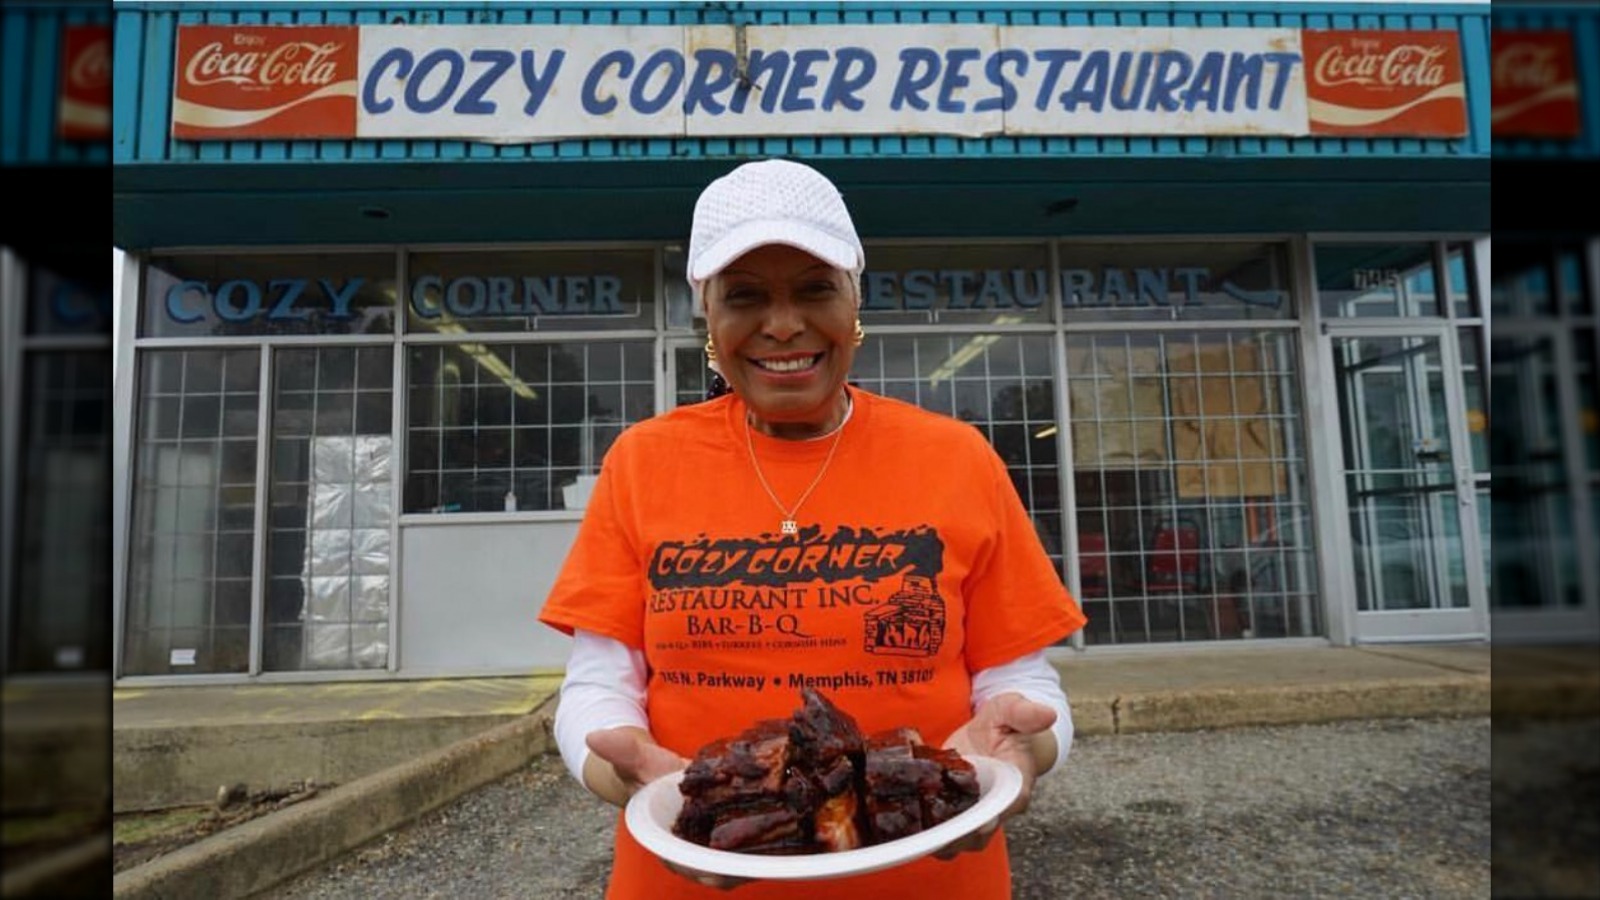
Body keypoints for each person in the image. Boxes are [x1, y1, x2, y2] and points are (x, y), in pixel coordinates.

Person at [539, 158, 1087, 900]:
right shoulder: (645, 461)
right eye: (745, 297)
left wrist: (1025, 746)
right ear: (709, 318)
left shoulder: (956, 457)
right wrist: (619, 770)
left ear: (855, 301)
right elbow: (598, 684)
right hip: (691, 868)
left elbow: (1018, 675)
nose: (784, 324)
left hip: (929, 875)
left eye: (815, 289)